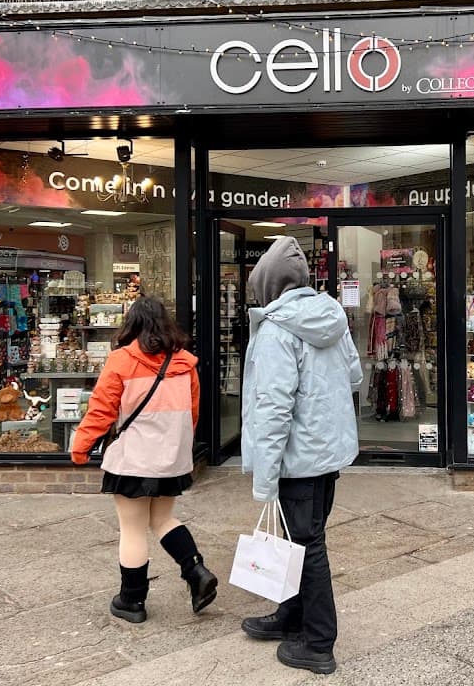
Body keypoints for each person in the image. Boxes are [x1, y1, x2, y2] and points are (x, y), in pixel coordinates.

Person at [239, 237, 362, 676]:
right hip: (327, 453)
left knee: (308, 545)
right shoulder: (332, 317)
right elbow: (353, 374)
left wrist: (264, 477)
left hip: (297, 458)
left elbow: (273, 407)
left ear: (269, 286)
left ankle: (318, 643)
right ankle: (290, 616)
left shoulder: (277, 330)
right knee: (299, 540)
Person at [71, 296, 216, 622]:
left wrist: (81, 446)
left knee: (133, 529)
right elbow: (192, 414)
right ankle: (196, 572)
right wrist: (180, 449)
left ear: (132, 324)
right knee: (163, 520)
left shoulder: (121, 361)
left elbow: (101, 409)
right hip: (171, 459)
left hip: (134, 459)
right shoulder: (185, 364)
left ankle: (131, 601)